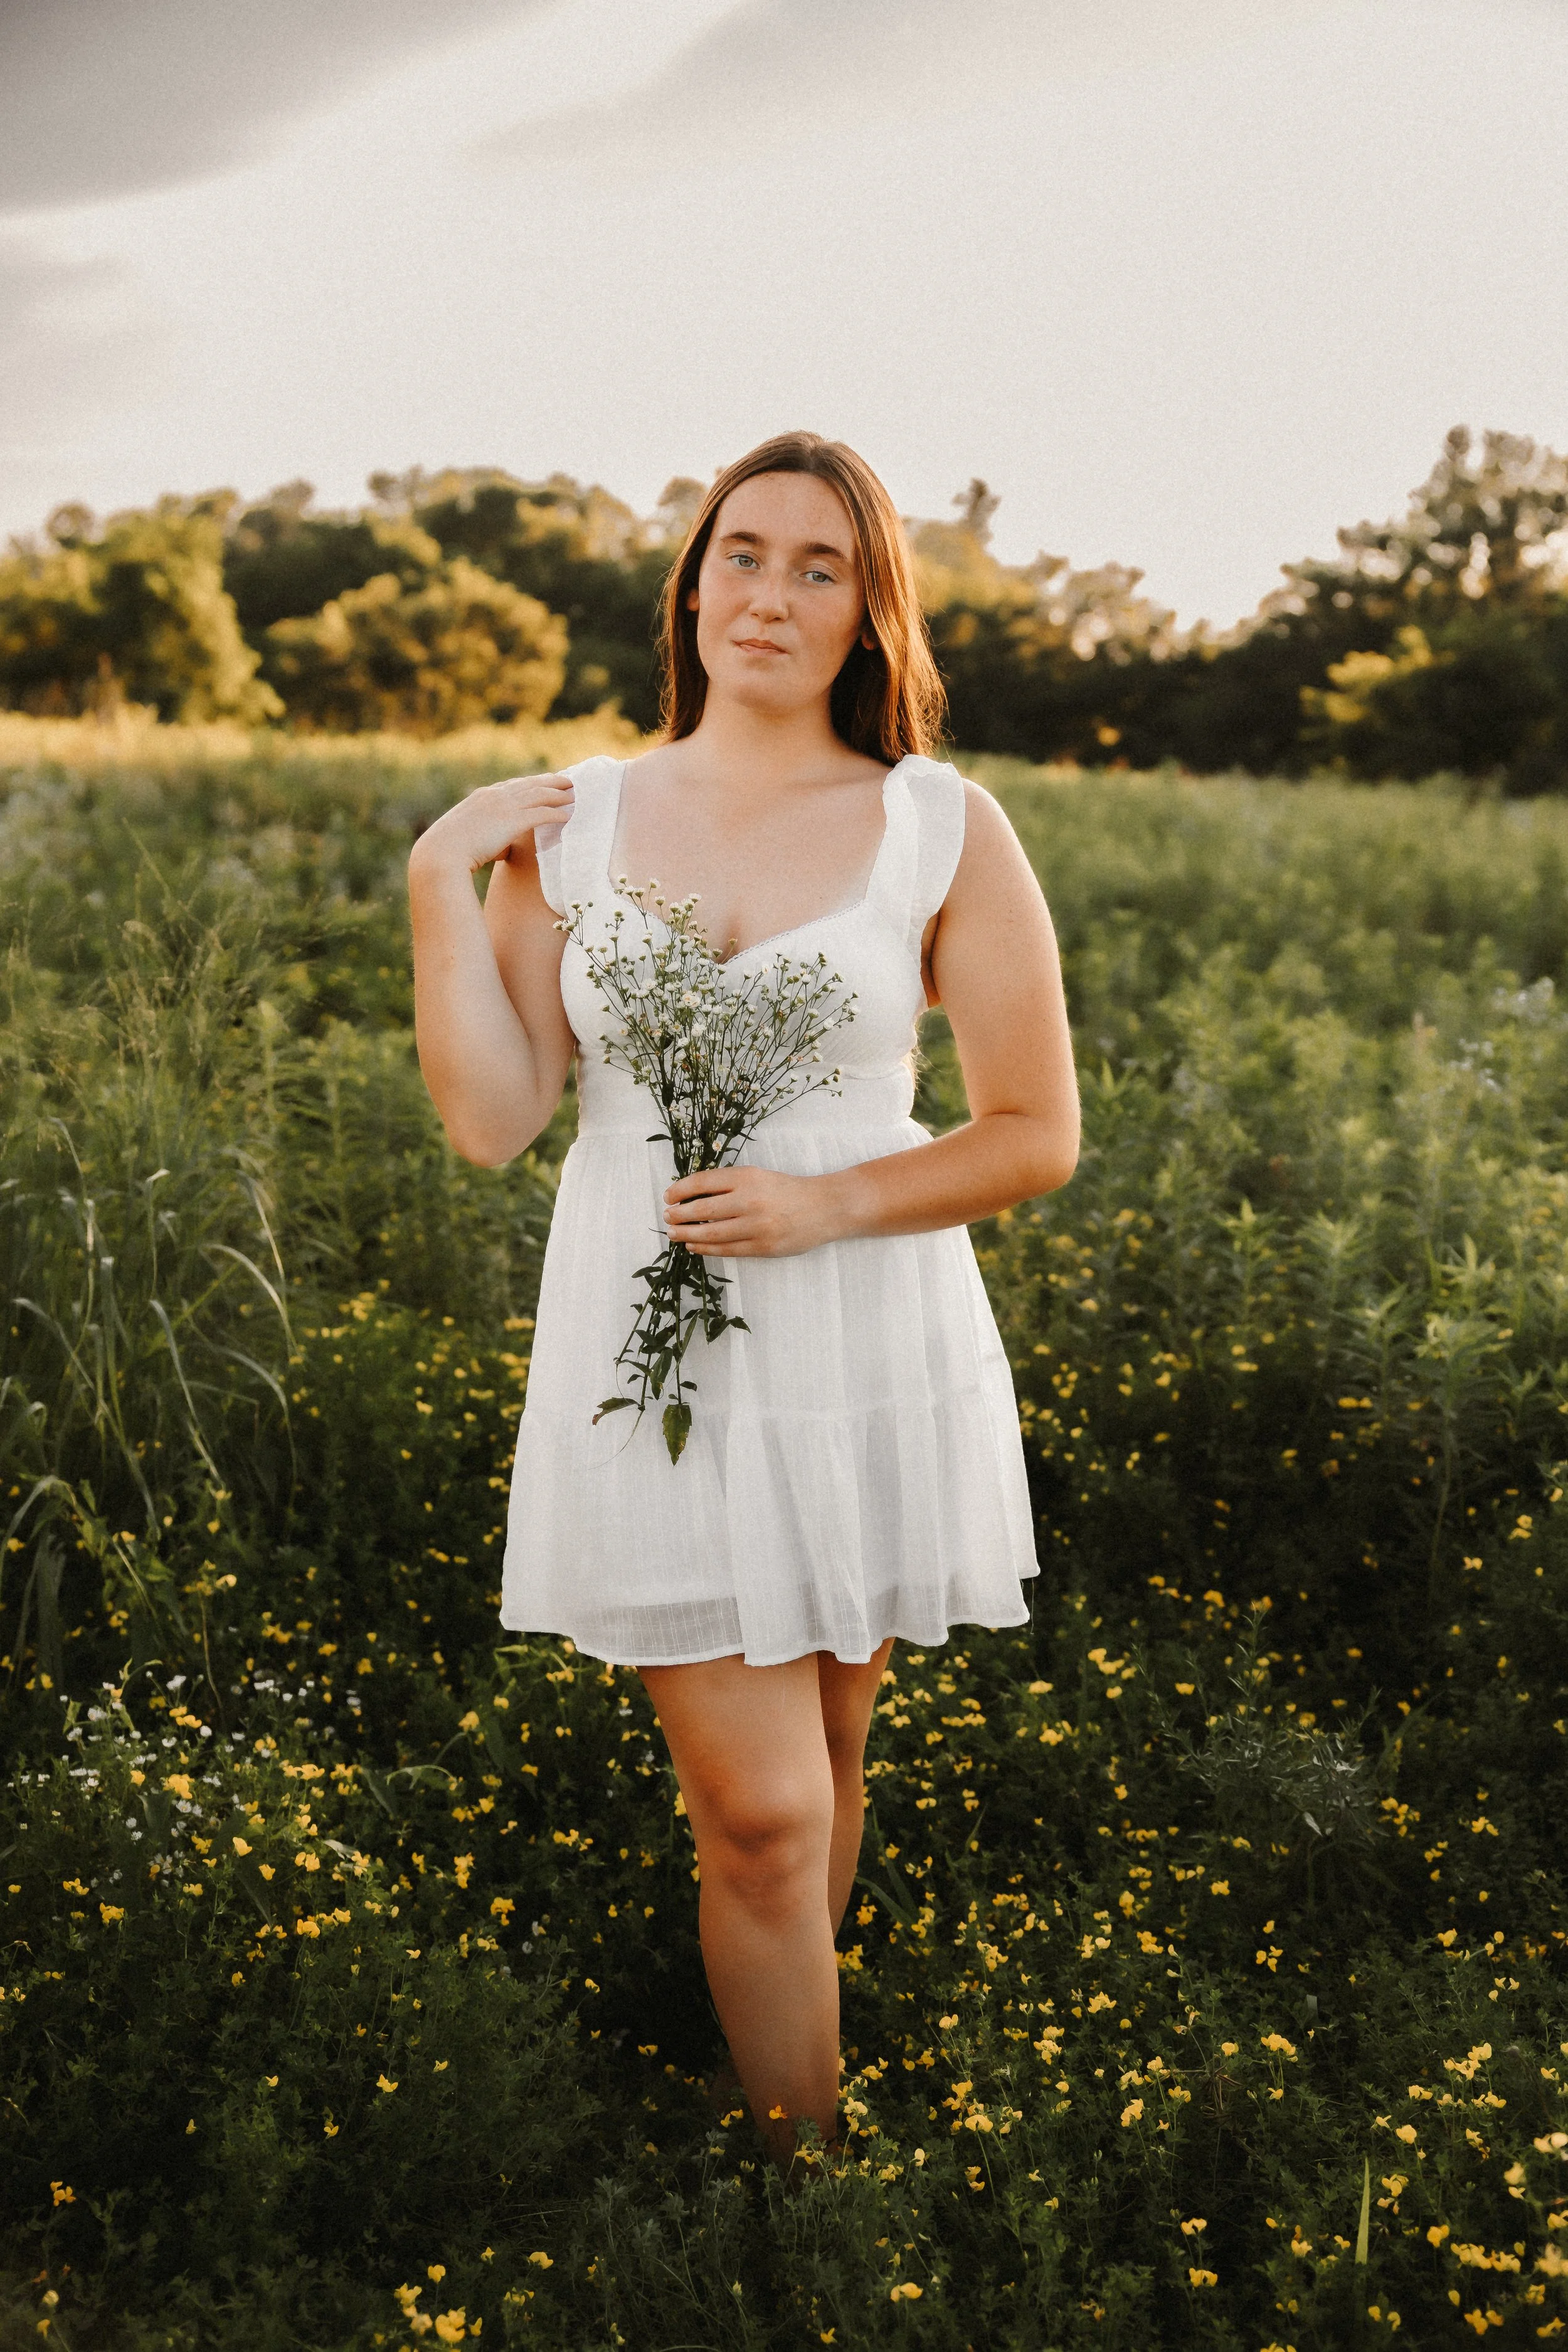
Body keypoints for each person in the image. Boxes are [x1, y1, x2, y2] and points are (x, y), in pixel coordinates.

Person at [408, 430, 1078, 2166]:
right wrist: (437, 879)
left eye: (817, 567)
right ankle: (810, 2175)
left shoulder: (936, 824)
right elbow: (495, 1118)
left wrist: (825, 1197)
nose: (766, 594)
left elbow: (1034, 1130)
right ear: (688, 581)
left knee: (838, 1741)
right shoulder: (578, 820)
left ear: (870, 613)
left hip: (864, 1330)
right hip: (650, 1354)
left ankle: (789, 2073)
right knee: (768, 1810)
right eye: (738, 553)